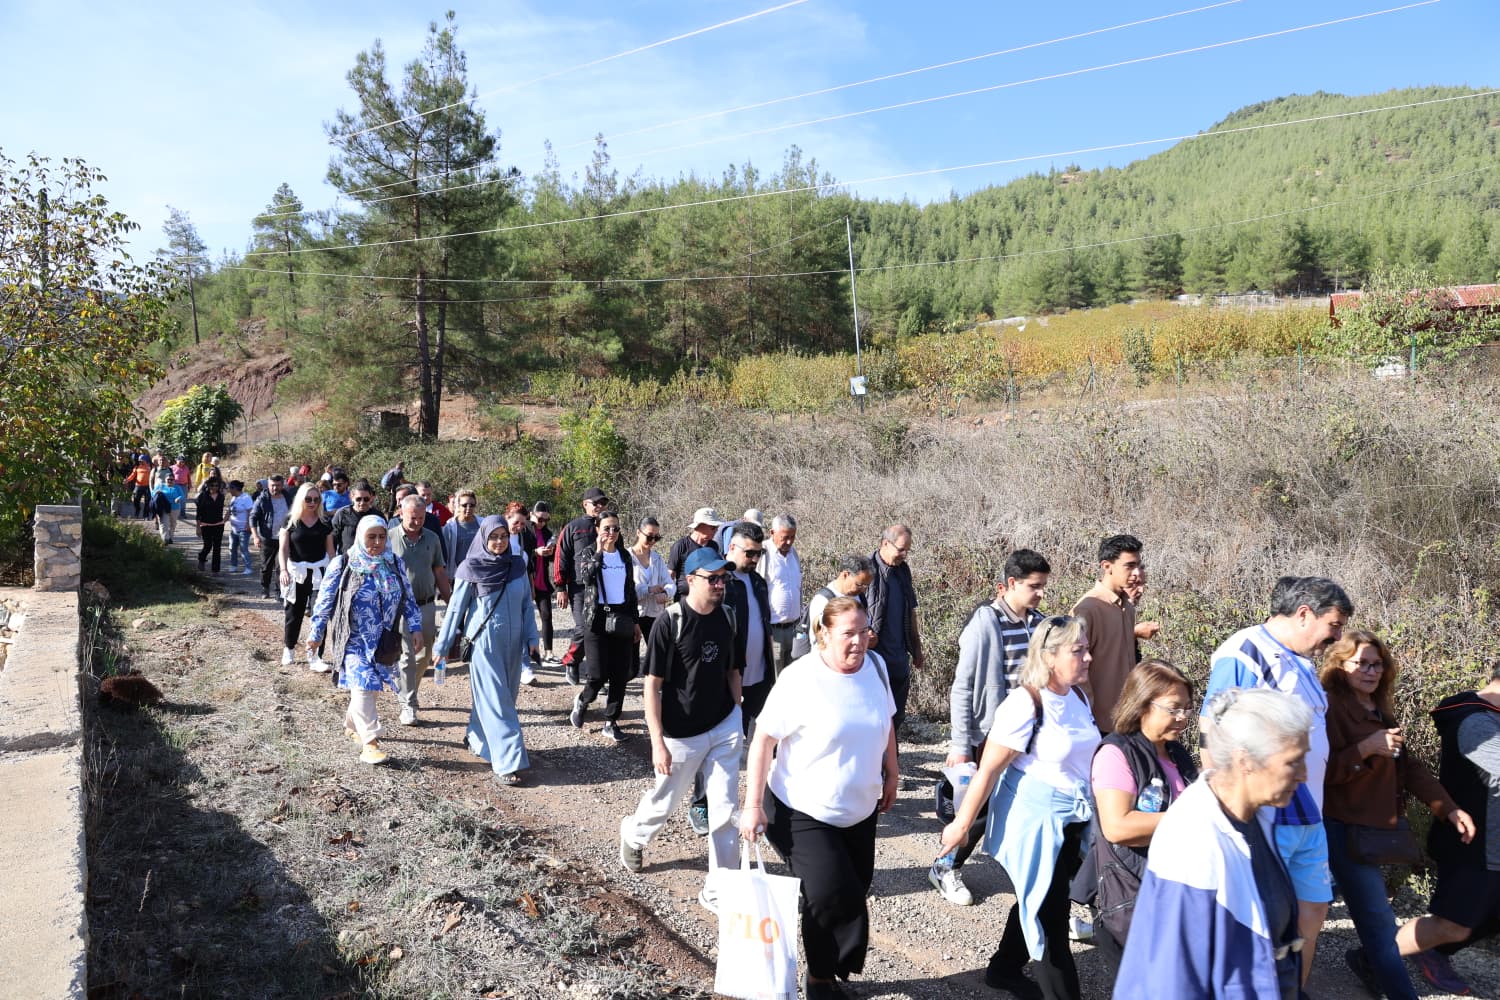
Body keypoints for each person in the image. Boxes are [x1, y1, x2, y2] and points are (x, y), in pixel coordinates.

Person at [739, 597, 898, 1000]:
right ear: (823, 634)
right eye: (849, 633)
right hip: (801, 809)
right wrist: (752, 805)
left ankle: (824, 971)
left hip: (861, 808)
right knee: (829, 891)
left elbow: (886, 722)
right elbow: (762, 742)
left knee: (854, 886)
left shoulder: (876, 668)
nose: (859, 642)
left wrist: (892, 772)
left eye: (864, 632)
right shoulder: (800, 678)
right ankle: (821, 982)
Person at [938, 615, 1097, 999]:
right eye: (1078, 651)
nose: (1089, 657)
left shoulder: (1078, 696)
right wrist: (960, 825)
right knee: (1050, 917)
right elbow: (988, 770)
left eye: (1087, 648)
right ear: (1050, 656)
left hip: (1074, 821)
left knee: (1044, 896)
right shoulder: (1025, 703)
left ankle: (1004, 968)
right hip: (1037, 824)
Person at [1202, 575, 1352, 986]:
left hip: (1309, 813)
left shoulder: (1301, 658)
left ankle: (1292, 993)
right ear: (1305, 614)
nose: (1336, 637)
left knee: (1312, 912)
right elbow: (1211, 731)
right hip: (1268, 817)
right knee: (1265, 920)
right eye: (1334, 625)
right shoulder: (1244, 651)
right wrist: (1230, 818)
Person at [1116, 688, 1311, 1000]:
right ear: (1245, 760)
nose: (1304, 775)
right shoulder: (1194, 842)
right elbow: (1171, 979)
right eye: (1293, 762)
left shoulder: (1257, 818)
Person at [1322, 630, 1477, 998]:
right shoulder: (1330, 707)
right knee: (1379, 928)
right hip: (1340, 828)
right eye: (1361, 662)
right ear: (1340, 666)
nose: (1371, 671)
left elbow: (1411, 770)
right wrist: (1364, 749)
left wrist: (1449, 809)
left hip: (1369, 834)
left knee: (1310, 912)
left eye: (1377, 664)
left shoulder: (1378, 710)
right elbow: (1319, 771)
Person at [619, 547, 743, 908]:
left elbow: (734, 670)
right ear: (690, 581)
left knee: (724, 807)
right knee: (666, 800)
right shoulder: (669, 622)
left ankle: (719, 888)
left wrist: (739, 713)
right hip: (680, 732)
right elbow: (652, 686)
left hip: (723, 725)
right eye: (713, 578)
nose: (721, 584)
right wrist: (657, 743)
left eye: (724, 577)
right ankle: (635, 833)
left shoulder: (730, 617)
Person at [935, 548, 1051, 907]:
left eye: (1044, 586)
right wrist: (960, 745)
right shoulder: (987, 622)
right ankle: (945, 865)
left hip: (1032, 734)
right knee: (978, 809)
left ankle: (1039, 887)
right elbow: (963, 686)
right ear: (1010, 584)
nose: (1041, 594)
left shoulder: (1038, 623)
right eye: (1035, 586)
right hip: (993, 733)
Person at [1086, 660, 1199, 974]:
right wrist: (1194, 818)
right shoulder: (1115, 753)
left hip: (1177, 894)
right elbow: (1118, 826)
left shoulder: (1177, 753)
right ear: (1142, 705)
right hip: (1132, 899)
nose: (1183, 717)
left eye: (1188, 709)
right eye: (1174, 708)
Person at [1396, 660, 1500, 994]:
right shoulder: (1475, 720)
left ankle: (1433, 953)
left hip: (1491, 844)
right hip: (1475, 842)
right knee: (1453, 923)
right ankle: (1375, 955)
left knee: (1484, 919)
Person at [432, 516, 539, 785]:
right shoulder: (471, 568)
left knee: (505, 698)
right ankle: (507, 762)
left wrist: (531, 636)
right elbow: (455, 609)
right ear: (483, 538)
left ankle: (477, 738)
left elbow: (527, 604)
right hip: (484, 644)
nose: (500, 542)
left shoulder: (516, 566)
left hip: (513, 646)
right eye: (494, 537)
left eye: (503, 536)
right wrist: (443, 646)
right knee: (498, 702)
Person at [309, 515, 424, 766]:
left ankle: (351, 725)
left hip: (383, 640)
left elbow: (409, 598)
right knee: (364, 686)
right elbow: (325, 601)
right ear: (361, 537)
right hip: (353, 639)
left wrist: (415, 628)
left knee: (366, 687)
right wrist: (316, 634)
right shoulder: (344, 564)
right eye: (371, 536)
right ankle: (371, 743)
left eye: (382, 536)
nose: (377, 542)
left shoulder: (393, 563)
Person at [569, 509, 640, 743]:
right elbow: (586, 578)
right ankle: (583, 700)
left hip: (621, 617)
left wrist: (636, 622)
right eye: (607, 528)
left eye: (616, 528)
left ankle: (611, 721)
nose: (612, 532)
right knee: (597, 674)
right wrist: (599, 552)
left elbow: (630, 591)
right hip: (596, 618)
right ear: (597, 530)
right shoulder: (589, 552)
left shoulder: (624, 556)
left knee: (620, 674)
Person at [1071, 534, 1145, 733]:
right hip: (1099, 726)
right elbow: (1075, 671)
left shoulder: (1126, 606)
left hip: (1129, 719)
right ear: (1107, 566)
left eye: (1139, 565)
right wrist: (1088, 719)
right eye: (1129, 566)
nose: (1136, 572)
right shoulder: (1087, 609)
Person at [388, 494, 450, 726]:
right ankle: (408, 705)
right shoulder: (390, 537)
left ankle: (407, 689)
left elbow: (440, 572)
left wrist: (451, 604)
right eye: (413, 518)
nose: (417, 522)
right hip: (402, 607)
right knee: (407, 656)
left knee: (425, 655)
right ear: (401, 513)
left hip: (426, 604)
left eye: (421, 518)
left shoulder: (432, 538)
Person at [869, 524, 925, 732]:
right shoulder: (867, 569)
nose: (904, 554)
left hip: (899, 657)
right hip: (873, 657)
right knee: (875, 714)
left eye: (907, 550)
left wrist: (916, 647)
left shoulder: (903, 571)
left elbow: (911, 610)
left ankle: (891, 758)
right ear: (885, 543)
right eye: (901, 549)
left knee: (897, 714)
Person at [554, 487, 608, 686]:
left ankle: (597, 675)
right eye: (596, 503)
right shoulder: (573, 527)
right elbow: (562, 556)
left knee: (602, 630)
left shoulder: (610, 526)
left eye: (602, 503)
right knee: (584, 627)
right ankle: (572, 661)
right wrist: (560, 587)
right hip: (579, 587)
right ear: (585, 504)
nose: (599, 506)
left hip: (605, 586)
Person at [279, 482, 335, 672]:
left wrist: (334, 575)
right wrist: (284, 570)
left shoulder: (325, 523)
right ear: (301, 499)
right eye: (308, 499)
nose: (312, 502)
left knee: (320, 614)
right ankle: (289, 647)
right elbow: (284, 548)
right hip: (296, 572)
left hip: (320, 573)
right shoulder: (290, 521)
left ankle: (316, 656)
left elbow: (331, 552)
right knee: (293, 613)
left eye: (316, 499)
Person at [725, 522, 775, 727]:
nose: (755, 559)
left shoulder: (758, 581)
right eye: (749, 553)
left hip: (760, 674)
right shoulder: (719, 582)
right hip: (730, 675)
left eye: (759, 553)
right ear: (732, 548)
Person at [627, 515, 673, 677]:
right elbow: (626, 590)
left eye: (657, 537)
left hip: (655, 614)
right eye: (649, 536)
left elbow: (669, 583)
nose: (653, 541)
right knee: (631, 667)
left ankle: (657, 691)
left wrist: (666, 593)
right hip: (634, 615)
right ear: (638, 533)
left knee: (660, 656)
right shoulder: (626, 558)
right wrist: (649, 589)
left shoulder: (657, 558)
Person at [759, 513, 802, 679]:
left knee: (793, 677)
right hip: (773, 630)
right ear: (772, 533)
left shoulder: (794, 554)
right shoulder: (763, 553)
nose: (789, 542)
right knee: (775, 678)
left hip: (794, 628)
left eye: (793, 537)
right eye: (785, 537)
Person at [527, 502, 557, 668]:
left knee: (546, 615)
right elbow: (521, 551)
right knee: (524, 617)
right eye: (539, 519)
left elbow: (551, 558)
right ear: (531, 514)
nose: (542, 522)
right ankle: (526, 652)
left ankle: (549, 652)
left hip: (542, 579)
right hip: (527, 578)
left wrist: (550, 552)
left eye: (546, 519)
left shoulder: (548, 533)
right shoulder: (524, 530)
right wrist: (535, 552)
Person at [252, 474, 290, 598]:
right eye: (272, 485)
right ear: (268, 485)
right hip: (267, 537)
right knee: (266, 566)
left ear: (282, 485)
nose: (275, 488)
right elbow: (253, 517)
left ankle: (279, 591)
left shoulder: (288, 497)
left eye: (277, 485)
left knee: (281, 566)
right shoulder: (262, 498)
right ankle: (265, 588)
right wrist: (255, 536)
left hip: (284, 538)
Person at [667, 507, 724, 585]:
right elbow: (670, 574)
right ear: (700, 526)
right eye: (713, 527)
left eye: (717, 527)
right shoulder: (681, 546)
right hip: (685, 596)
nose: (716, 530)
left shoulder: (713, 546)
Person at [441, 489, 481, 580]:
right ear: (458, 506)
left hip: (479, 573)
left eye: (472, 505)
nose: (468, 508)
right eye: (464, 505)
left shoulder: (482, 523)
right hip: (458, 575)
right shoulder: (450, 527)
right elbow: (445, 554)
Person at [331, 480, 377, 556]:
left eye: (366, 499)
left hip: (371, 562)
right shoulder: (342, 514)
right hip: (347, 561)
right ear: (352, 497)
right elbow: (333, 540)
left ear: (371, 498)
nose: (362, 503)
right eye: (358, 499)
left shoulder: (377, 516)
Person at [193, 477, 227, 573]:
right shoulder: (202, 496)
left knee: (217, 547)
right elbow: (198, 513)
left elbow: (227, 487)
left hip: (218, 525)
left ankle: (215, 570)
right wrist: (198, 527)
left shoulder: (221, 496)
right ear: (208, 486)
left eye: (216, 485)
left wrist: (224, 520)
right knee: (208, 546)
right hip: (206, 525)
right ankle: (202, 558)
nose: (214, 487)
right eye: (212, 485)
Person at [225, 480, 254, 575]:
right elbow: (229, 510)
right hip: (234, 529)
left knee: (243, 548)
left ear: (235, 488)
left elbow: (251, 511)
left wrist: (248, 524)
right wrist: (223, 520)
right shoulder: (233, 498)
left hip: (244, 529)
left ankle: (248, 567)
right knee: (232, 547)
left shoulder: (246, 498)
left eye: (230, 488)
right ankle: (233, 565)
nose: (229, 490)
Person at [149, 467, 185, 545]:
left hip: (174, 508)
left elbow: (182, 496)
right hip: (163, 508)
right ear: (165, 480)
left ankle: (170, 537)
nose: (170, 481)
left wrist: (178, 498)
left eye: (172, 479)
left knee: (172, 524)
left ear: (174, 480)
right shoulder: (160, 486)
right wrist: (156, 492)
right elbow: (152, 494)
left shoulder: (177, 487)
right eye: (168, 479)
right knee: (163, 524)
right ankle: (165, 539)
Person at [123, 453, 152, 518]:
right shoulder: (136, 467)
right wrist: (127, 480)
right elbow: (132, 476)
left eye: (141, 460)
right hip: (138, 486)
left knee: (147, 501)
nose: (140, 461)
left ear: (145, 460)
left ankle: (146, 515)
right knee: (135, 500)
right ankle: (137, 509)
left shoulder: (149, 467)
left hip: (147, 486)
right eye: (139, 460)